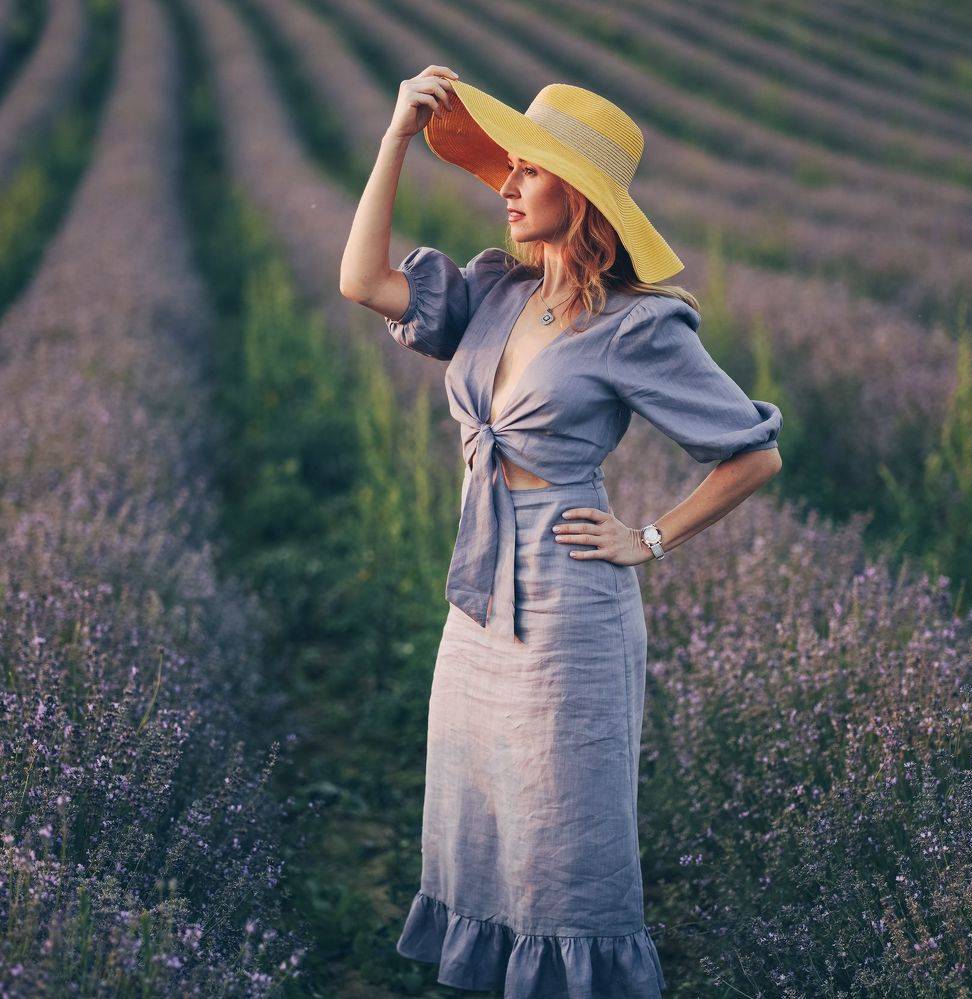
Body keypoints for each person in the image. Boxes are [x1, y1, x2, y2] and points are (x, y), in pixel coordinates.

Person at [338, 65, 783, 998]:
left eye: (529, 171)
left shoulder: (636, 326)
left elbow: (752, 454)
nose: (505, 185)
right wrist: (395, 138)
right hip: (479, 594)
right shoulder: (495, 289)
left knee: (561, 832)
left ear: (577, 197)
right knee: (481, 817)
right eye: (509, 167)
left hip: (568, 604)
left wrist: (648, 538)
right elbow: (362, 280)